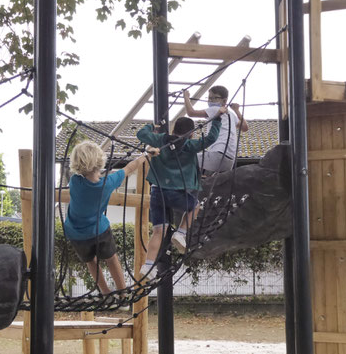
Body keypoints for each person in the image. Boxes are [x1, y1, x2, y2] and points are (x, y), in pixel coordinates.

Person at [136, 111, 226, 278]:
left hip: (157, 192)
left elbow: (140, 134)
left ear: (173, 129)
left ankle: (147, 266)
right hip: (176, 192)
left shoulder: (161, 140)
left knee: (159, 231)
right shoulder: (190, 145)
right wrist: (217, 119)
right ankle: (181, 232)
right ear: (191, 133)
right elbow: (211, 138)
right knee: (195, 206)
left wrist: (152, 127)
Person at [64, 140, 160, 297]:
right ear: (100, 162)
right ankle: (122, 292)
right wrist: (147, 154)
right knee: (111, 258)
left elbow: (84, 178)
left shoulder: (75, 182)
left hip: (75, 233)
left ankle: (106, 292)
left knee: (91, 261)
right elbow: (130, 167)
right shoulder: (108, 183)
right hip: (98, 230)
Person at [183, 86, 248, 175]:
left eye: (214, 98)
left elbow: (191, 113)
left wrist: (186, 97)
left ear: (224, 101)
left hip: (218, 154)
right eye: (209, 98)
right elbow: (244, 127)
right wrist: (237, 111)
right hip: (229, 160)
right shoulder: (231, 114)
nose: (210, 100)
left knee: (184, 158)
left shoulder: (215, 109)